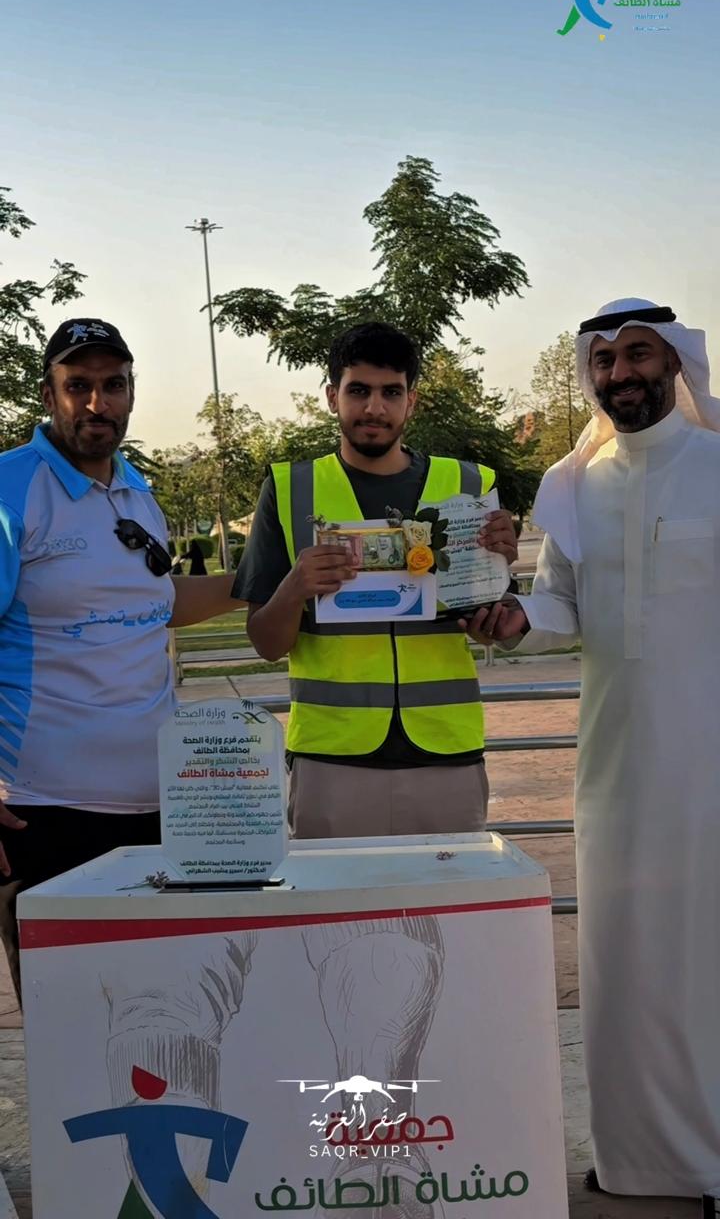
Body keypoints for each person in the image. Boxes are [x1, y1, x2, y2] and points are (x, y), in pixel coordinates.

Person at [472, 298, 720, 1200]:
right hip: (616, 769)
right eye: (606, 360)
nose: (622, 374)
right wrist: (514, 619)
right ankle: (638, 1163)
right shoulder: (572, 483)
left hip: (711, 766)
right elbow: (560, 605)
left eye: (639, 355)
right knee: (627, 963)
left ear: (675, 363)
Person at [0, 317, 246, 998]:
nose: (96, 403)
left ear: (132, 394)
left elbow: (157, 602)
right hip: (45, 815)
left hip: (158, 811)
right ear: (48, 395)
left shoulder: (136, 491)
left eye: (113, 385)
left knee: (162, 1018)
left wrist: (273, 582)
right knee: (70, 1026)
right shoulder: (10, 489)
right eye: (77, 385)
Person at [232, 321, 518, 837]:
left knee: (453, 893)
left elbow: (495, 627)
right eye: (358, 390)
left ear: (412, 402)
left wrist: (496, 592)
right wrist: (294, 587)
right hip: (331, 756)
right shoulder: (289, 488)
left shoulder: (470, 484)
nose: (374, 408)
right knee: (334, 894)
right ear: (331, 397)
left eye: (391, 392)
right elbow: (265, 644)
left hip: (446, 750)